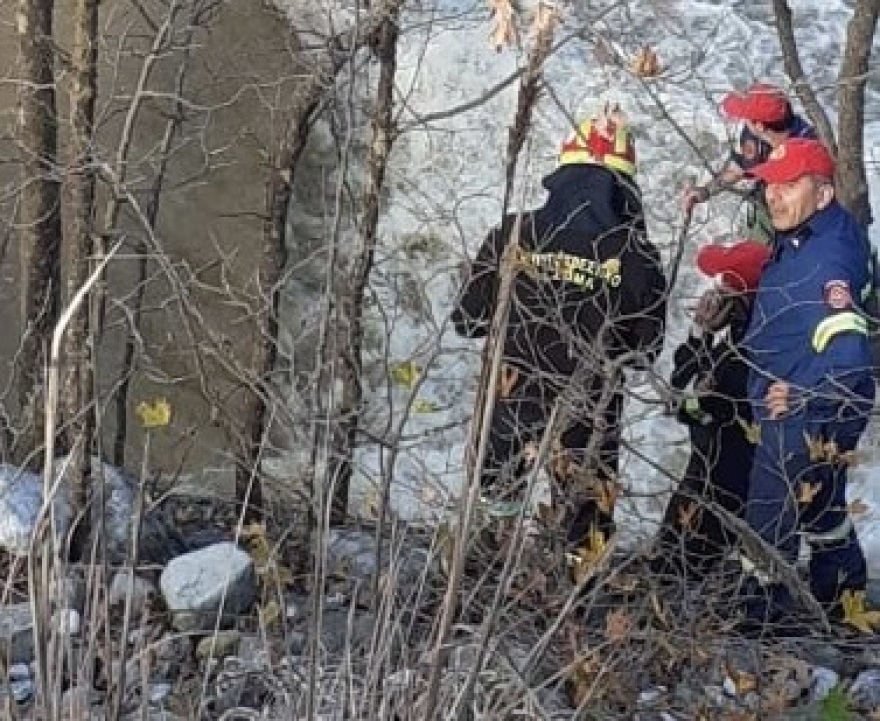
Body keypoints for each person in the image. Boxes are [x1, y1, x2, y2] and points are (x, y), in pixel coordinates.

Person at [451, 108, 668, 566]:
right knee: (585, 522)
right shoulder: (637, 254)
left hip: (508, 402)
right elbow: (643, 353)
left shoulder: (510, 233)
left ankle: (481, 576)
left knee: (494, 497)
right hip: (588, 413)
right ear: (626, 190)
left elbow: (466, 323)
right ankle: (575, 603)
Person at [736, 137, 876, 629]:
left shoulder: (828, 259)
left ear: (823, 193)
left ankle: (760, 629)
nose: (774, 195)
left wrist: (802, 391)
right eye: (771, 185)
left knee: (769, 517)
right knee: (821, 504)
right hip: (823, 402)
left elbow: (850, 350)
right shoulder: (812, 233)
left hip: (807, 405)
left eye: (790, 184)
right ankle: (844, 603)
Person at [653, 240, 770, 580]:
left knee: (675, 571)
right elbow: (683, 385)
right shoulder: (738, 337)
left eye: (722, 288)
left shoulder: (743, 356)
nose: (713, 295)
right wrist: (700, 334)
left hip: (718, 484)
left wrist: (700, 337)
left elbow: (683, 402)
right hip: (712, 474)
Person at [683, 83, 816, 242]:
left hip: (800, 223)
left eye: (746, 119)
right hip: (764, 209)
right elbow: (737, 169)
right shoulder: (755, 137)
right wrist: (705, 191)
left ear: (759, 126)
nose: (743, 121)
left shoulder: (809, 150)